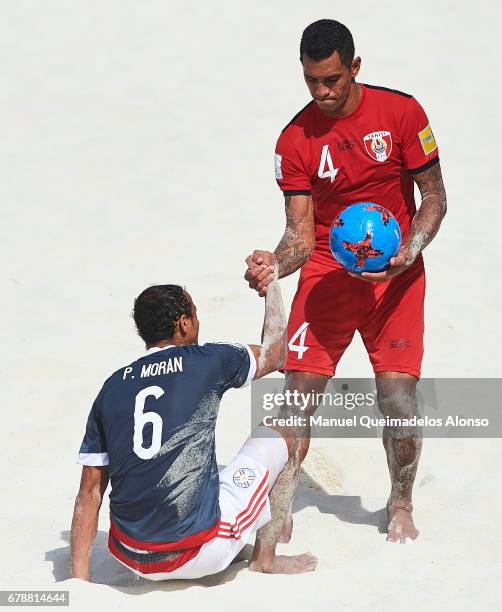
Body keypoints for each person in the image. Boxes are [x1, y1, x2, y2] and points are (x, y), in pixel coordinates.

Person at [244, 18, 447, 569]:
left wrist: (406, 251)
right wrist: (274, 264)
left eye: (332, 79)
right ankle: (281, 508)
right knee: (294, 401)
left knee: (398, 403)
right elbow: (300, 235)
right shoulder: (295, 139)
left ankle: (400, 500)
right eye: (312, 81)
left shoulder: (403, 113)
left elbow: (434, 198)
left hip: (397, 277)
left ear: (354, 67)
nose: (322, 92)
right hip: (329, 273)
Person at [70, 272, 318, 582]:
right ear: (184, 323)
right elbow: (276, 353)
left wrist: (78, 584)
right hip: (195, 553)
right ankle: (265, 558)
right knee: (288, 425)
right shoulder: (207, 359)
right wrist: (273, 285)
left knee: (208, 475)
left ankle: (228, 537)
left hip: (130, 556)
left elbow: (89, 492)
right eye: (195, 314)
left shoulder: (112, 386)